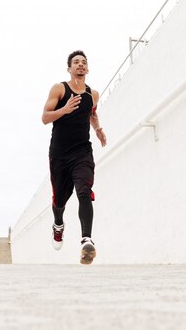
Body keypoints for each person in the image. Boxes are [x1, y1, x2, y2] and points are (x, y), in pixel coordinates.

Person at [41, 50, 107, 265]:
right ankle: (58, 224)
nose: (80, 65)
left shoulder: (92, 94)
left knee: (84, 191)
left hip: (82, 152)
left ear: (87, 68)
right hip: (59, 155)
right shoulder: (59, 89)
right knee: (59, 200)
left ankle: (86, 240)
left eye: (84, 62)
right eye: (76, 62)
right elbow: (45, 117)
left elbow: (92, 112)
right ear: (69, 68)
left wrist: (97, 129)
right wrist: (65, 109)